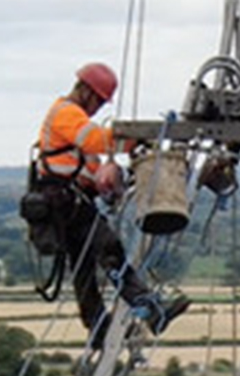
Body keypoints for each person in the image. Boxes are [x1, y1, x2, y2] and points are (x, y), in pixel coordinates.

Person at [28, 61, 189, 346]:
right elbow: (94, 141)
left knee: (84, 272)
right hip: (64, 202)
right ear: (87, 92)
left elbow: (88, 166)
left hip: (67, 202)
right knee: (108, 250)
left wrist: (110, 181)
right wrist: (133, 138)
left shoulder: (70, 120)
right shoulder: (65, 114)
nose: (99, 108)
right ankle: (151, 310)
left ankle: (100, 329)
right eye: (100, 101)